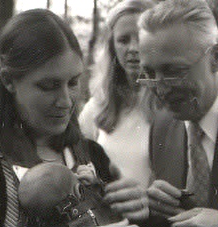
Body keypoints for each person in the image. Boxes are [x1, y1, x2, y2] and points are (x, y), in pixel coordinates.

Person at [0, 9, 147, 227]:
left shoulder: (93, 156)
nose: (65, 101)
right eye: (48, 86)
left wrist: (137, 211)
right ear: (8, 80)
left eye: (73, 83)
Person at [137, 0, 218, 226]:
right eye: (149, 73)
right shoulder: (162, 127)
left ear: (216, 57)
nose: (161, 90)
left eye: (174, 71)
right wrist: (151, 208)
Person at [79, 0, 158, 190]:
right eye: (123, 40)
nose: (133, 48)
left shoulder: (170, 105)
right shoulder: (97, 107)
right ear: (112, 47)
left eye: (140, 38)